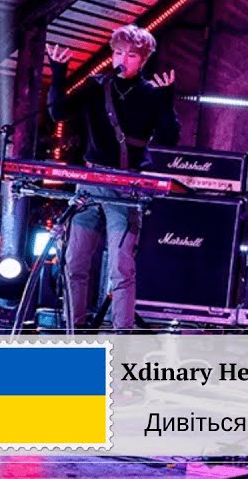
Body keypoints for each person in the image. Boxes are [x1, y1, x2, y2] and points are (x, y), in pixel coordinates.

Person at [46, 24, 180, 331]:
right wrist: (58, 72)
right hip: (89, 181)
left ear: (143, 59)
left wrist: (167, 99)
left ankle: (122, 335)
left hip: (125, 186)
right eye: (118, 53)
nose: (122, 59)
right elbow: (58, 112)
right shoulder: (96, 86)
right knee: (75, 262)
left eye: (131, 55)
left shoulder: (151, 94)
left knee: (121, 267)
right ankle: (74, 333)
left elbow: (169, 137)